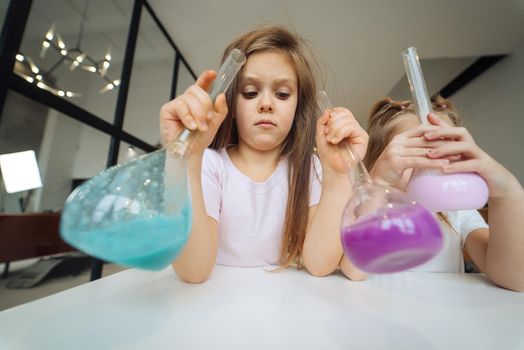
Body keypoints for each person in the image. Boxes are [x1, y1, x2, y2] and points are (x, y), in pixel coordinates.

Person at [159, 25, 368, 283]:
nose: (266, 104)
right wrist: (186, 158)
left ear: (297, 106)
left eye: (282, 94)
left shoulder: (309, 168)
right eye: (250, 92)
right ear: (230, 104)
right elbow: (194, 271)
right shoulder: (209, 165)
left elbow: (319, 264)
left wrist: (337, 177)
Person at [357, 96, 524, 291]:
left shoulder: (456, 213)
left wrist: (508, 192)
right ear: (378, 163)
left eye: (445, 157)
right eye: (416, 156)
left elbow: (515, 278)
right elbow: (355, 267)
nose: (432, 167)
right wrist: (378, 182)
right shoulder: (363, 209)